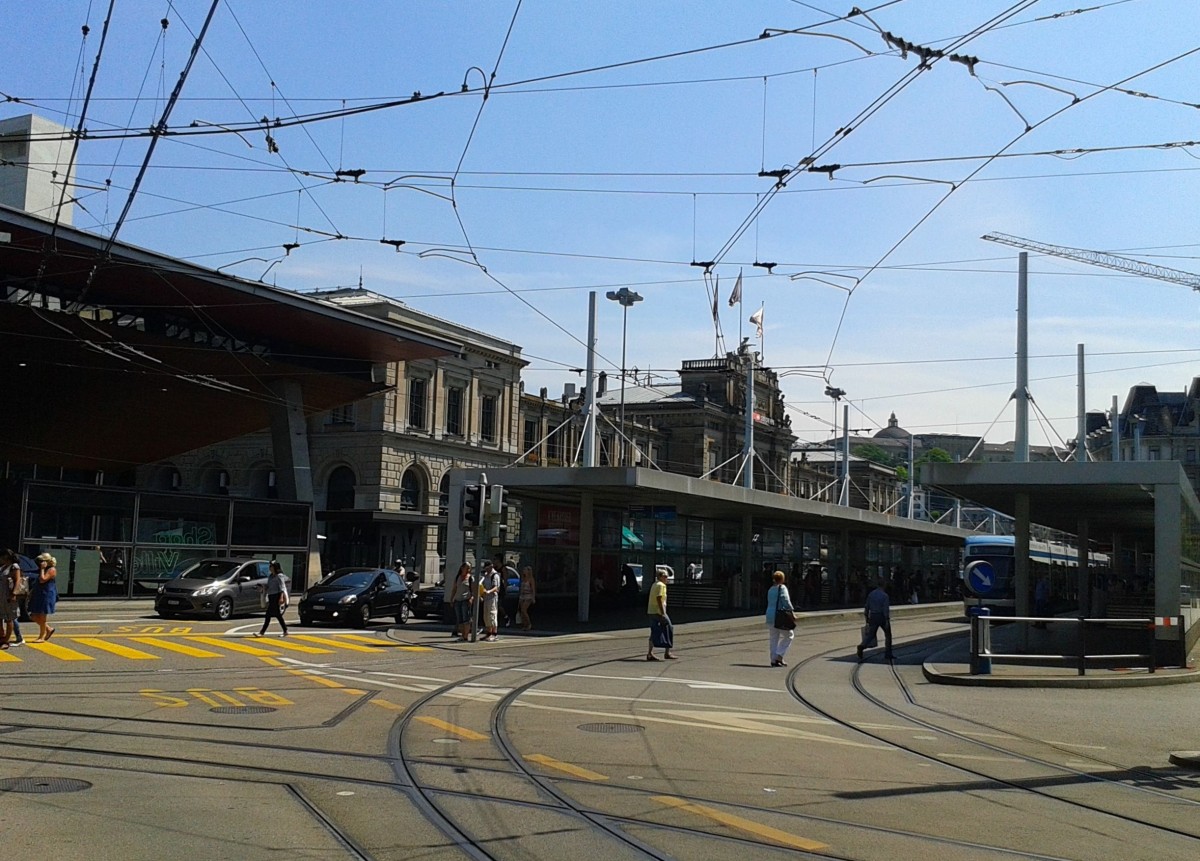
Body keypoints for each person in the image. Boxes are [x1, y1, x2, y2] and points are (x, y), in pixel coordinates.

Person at [857, 578, 893, 662]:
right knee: (888, 635)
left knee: (871, 635)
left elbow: (867, 607)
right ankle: (888, 654)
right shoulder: (885, 596)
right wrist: (887, 620)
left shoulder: (871, 594)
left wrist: (867, 618)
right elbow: (885, 609)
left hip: (873, 616)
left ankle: (862, 645)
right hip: (881, 616)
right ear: (884, 585)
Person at [765, 570, 795, 667]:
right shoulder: (782, 588)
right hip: (779, 616)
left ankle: (774, 660)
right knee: (789, 635)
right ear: (782, 579)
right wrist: (791, 611)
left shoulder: (770, 589)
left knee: (774, 638)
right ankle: (779, 656)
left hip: (770, 615)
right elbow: (785, 600)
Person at [646, 566, 675, 661]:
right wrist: (662, 613)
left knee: (653, 631)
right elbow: (659, 598)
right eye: (666, 576)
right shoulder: (661, 585)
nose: (667, 578)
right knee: (669, 627)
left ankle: (650, 653)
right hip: (658, 612)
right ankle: (667, 652)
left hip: (651, 611)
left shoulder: (654, 584)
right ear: (661, 576)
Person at [254, 560, 289, 637]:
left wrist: (281, 598)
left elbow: (282, 587)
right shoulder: (271, 576)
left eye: (271, 566)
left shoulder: (279, 576)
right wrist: (263, 588)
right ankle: (285, 630)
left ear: (275, 567)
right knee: (277, 615)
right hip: (271, 596)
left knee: (268, 615)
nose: (270, 568)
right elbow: (269, 586)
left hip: (276, 596)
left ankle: (262, 632)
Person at [28, 552, 58, 642]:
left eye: (41, 561)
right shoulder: (44, 569)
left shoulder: (51, 570)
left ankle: (41, 636)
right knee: (33, 615)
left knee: (42, 615)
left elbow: (42, 579)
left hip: (46, 594)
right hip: (39, 594)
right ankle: (48, 629)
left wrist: (42, 569)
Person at [448, 562, 474, 642]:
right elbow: (454, 589)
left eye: (469, 568)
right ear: (462, 568)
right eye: (467, 568)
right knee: (460, 620)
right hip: (457, 600)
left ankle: (466, 636)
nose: (468, 570)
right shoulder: (458, 577)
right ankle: (462, 635)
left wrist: (471, 599)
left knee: (466, 619)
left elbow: (473, 591)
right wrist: (451, 599)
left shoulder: (470, 578)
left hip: (465, 600)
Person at [0, 549, 19, 649]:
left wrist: (14, 594)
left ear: (6, 557)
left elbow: (17, 580)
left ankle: (6, 640)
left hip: (8, 596)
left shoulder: (14, 567)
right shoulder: (3, 567)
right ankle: (1, 637)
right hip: (1, 595)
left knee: (8, 618)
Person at [480, 560, 501, 641]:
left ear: (491, 566)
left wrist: (489, 591)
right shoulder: (485, 575)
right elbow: (482, 585)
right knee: (486, 616)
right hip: (486, 598)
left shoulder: (495, 575)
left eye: (487, 567)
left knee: (492, 615)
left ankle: (494, 633)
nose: (486, 569)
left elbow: (496, 587)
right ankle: (488, 633)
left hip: (492, 598)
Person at [517, 565, 536, 630]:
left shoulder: (531, 579)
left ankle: (529, 624)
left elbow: (533, 589)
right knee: (521, 611)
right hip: (522, 596)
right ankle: (524, 625)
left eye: (525, 570)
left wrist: (533, 597)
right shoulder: (522, 579)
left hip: (528, 596)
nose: (523, 571)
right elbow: (520, 588)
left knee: (524, 610)